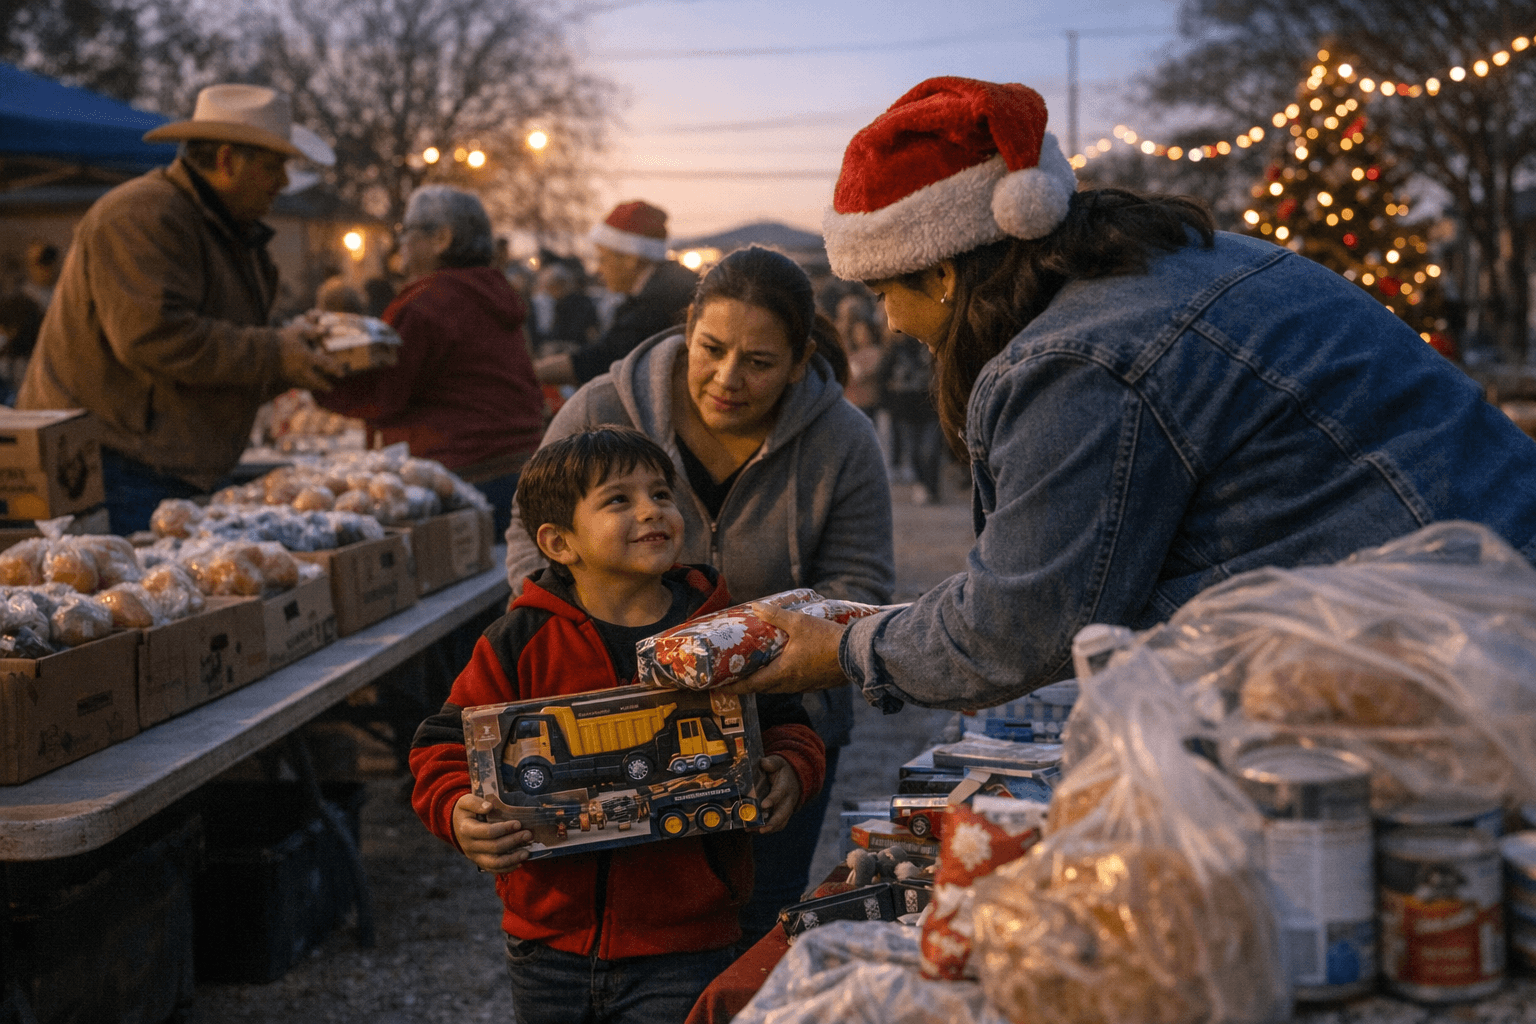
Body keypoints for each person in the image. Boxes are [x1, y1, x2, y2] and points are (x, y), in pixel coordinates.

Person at [725, 75, 1536, 714]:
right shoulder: (1194, 257)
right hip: (1475, 601)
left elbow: (1017, 630)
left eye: (882, 293)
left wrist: (848, 651)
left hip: (1470, 653)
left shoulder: (1071, 361)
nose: (889, 322)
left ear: (941, 273)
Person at [504, 246, 893, 947]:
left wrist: (749, 659)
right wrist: (594, 650)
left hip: (782, 731)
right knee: (619, 927)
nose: (728, 378)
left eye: (759, 362)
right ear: (688, 328)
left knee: (756, 924)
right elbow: (532, 537)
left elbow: (857, 588)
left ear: (800, 362)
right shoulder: (600, 408)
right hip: (614, 722)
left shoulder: (843, 440)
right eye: (711, 349)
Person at [411, 427, 826, 1024]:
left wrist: (790, 767)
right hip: (547, 943)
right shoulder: (519, 640)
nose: (651, 510)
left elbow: (786, 720)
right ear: (559, 542)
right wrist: (456, 811)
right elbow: (442, 745)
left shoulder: (721, 630)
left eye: (661, 494)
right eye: (618, 500)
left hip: (686, 942)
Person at [16, 83, 341, 533]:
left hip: (165, 469)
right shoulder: (140, 215)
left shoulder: (230, 234)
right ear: (226, 160)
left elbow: (220, 360)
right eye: (273, 166)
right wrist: (276, 352)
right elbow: (154, 336)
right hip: (117, 470)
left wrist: (299, 360)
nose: (283, 183)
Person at [317, 185, 546, 538]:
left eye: (407, 231)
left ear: (441, 239)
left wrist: (311, 370)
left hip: (461, 477)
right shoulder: (494, 293)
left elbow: (383, 393)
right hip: (520, 468)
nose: (401, 244)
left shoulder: (428, 303)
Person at [533, 201, 698, 388]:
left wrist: (532, 372)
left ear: (630, 259)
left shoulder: (658, 300)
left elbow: (604, 360)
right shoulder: (667, 285)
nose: (599, 270)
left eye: (603, 259)